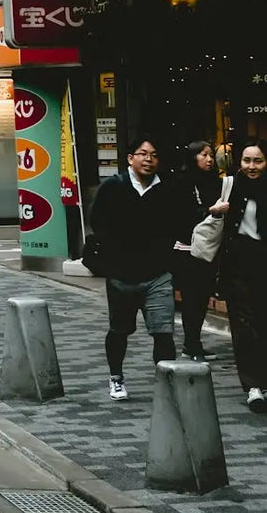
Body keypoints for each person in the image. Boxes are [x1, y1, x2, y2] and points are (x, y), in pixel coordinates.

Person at [89, 135, 178, 400]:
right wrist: (113, 253)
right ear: (130, 158)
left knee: (163, 331)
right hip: (121, 274)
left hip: (158, 274)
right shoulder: (113, 186)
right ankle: (116, 377)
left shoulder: (166, 189)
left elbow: (176, 222)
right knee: (120, 330)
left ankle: (167, 381)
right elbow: (98, 222)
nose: (148, 159)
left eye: (153, 155)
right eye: (142, 153)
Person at [211, 141, 267, 411]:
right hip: (237, 267)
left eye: (258, 161)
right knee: (243, 327)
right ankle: (252, 385)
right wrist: (214, 211)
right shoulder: (230, 186)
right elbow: (202, 216)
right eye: (247, 160)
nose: (251, 166)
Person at [170, 140, 220, 360]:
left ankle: (194, 342)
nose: (209, 159)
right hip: (187, 250)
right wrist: (211, 210)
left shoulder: (213, 182)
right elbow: (184, 215)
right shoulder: (182, 183)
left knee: (201, 299)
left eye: (211, 155)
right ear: (192, 158)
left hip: (208, 249)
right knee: (192, 299)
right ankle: (191, 345)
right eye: (203, 155)